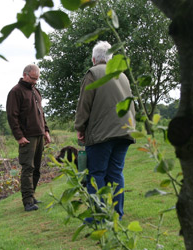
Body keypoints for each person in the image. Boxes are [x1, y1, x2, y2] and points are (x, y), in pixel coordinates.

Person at [74, 41, 136, 220]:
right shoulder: (122, 76)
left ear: (94, 59)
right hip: (125, 131)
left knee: (96, 174)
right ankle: (117, 214)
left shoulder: (93, 73)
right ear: (110, 58)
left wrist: (80, 127)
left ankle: (97, 215)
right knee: (116, 173)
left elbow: (84, 104)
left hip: (102, 134)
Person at [6, 64, 51, 212]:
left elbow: (41, 113)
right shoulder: (15, 92)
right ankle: (27, 202)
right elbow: (12, 116)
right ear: (25, 75)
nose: (35, 81)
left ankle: (32, 196)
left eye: (37, 79)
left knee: (37, 168)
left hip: (39, 134)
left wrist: (46, 131)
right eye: (33, 78)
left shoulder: (35, 91)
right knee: (28, 168)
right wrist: (19, 137)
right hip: (27, 137)